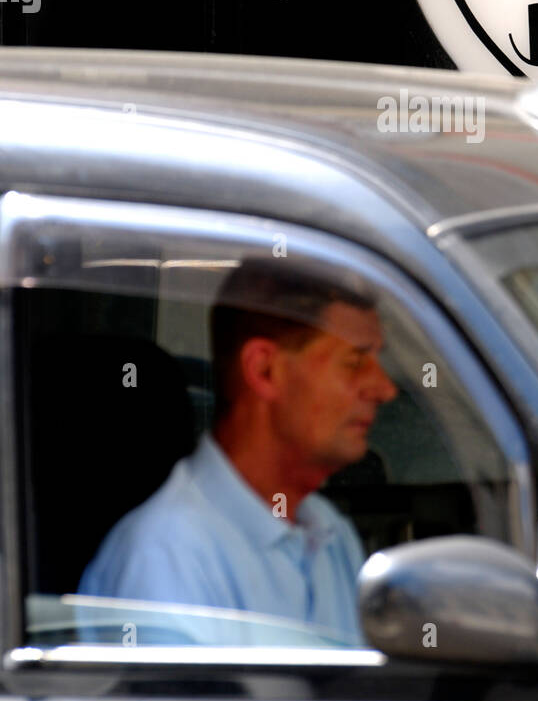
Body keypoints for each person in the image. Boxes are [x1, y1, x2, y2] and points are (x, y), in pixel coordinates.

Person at [78, 259, 398, 644]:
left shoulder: (329, 533)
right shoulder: (168, 555)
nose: (384, 388)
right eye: (354, 362)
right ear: (264, 371)